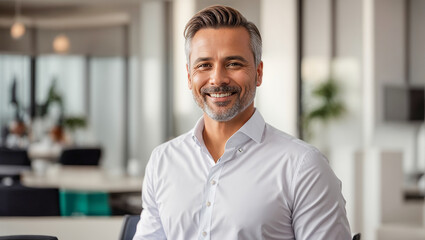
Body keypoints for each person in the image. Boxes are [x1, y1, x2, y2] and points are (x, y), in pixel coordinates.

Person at [133, 5, 351, 240]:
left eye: (233, 63)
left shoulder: (303, 166)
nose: (217, 79)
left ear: (258, 72)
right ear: (189, 77)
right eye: (204, 65)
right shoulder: (163, 161)